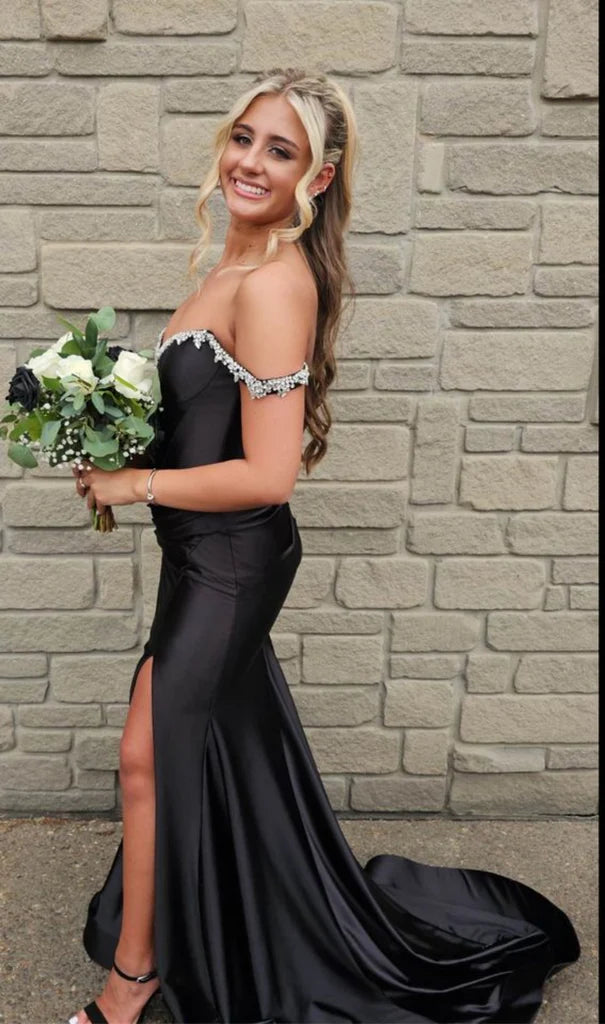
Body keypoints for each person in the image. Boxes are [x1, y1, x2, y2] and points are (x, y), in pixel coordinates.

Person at [66, 68, 580, 1024]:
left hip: (230, 561)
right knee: (206, 750)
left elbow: (268, 475)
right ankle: (224, 918)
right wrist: (113, 444)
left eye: (281, 150)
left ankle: (131, 982)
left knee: (147, 757)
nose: (250, 162)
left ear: (319, 176)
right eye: (244, 138)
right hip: (200, 552)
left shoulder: (273, 284)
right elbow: (209, 422)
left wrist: (135, 484)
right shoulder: (230, 265)